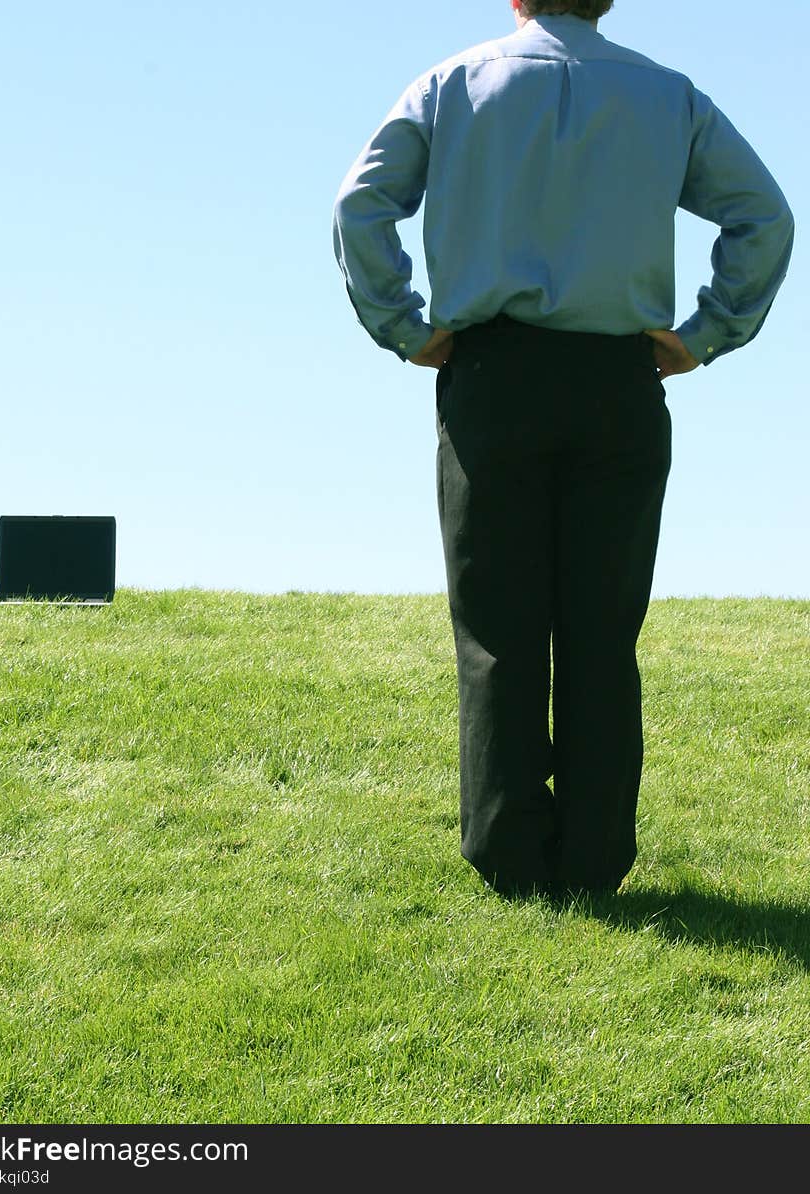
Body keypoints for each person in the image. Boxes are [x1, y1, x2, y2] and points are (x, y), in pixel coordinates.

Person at [332, 0, 794, 900]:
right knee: (601, 630)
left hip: (492, 376)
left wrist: (404, 325)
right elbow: (763, 218)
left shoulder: (453, 84)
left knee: (499, 627)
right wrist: (706, 332)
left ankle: (510, 859)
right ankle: (591, 864)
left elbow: (361, 206)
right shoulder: (669, 96)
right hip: (618, 382)